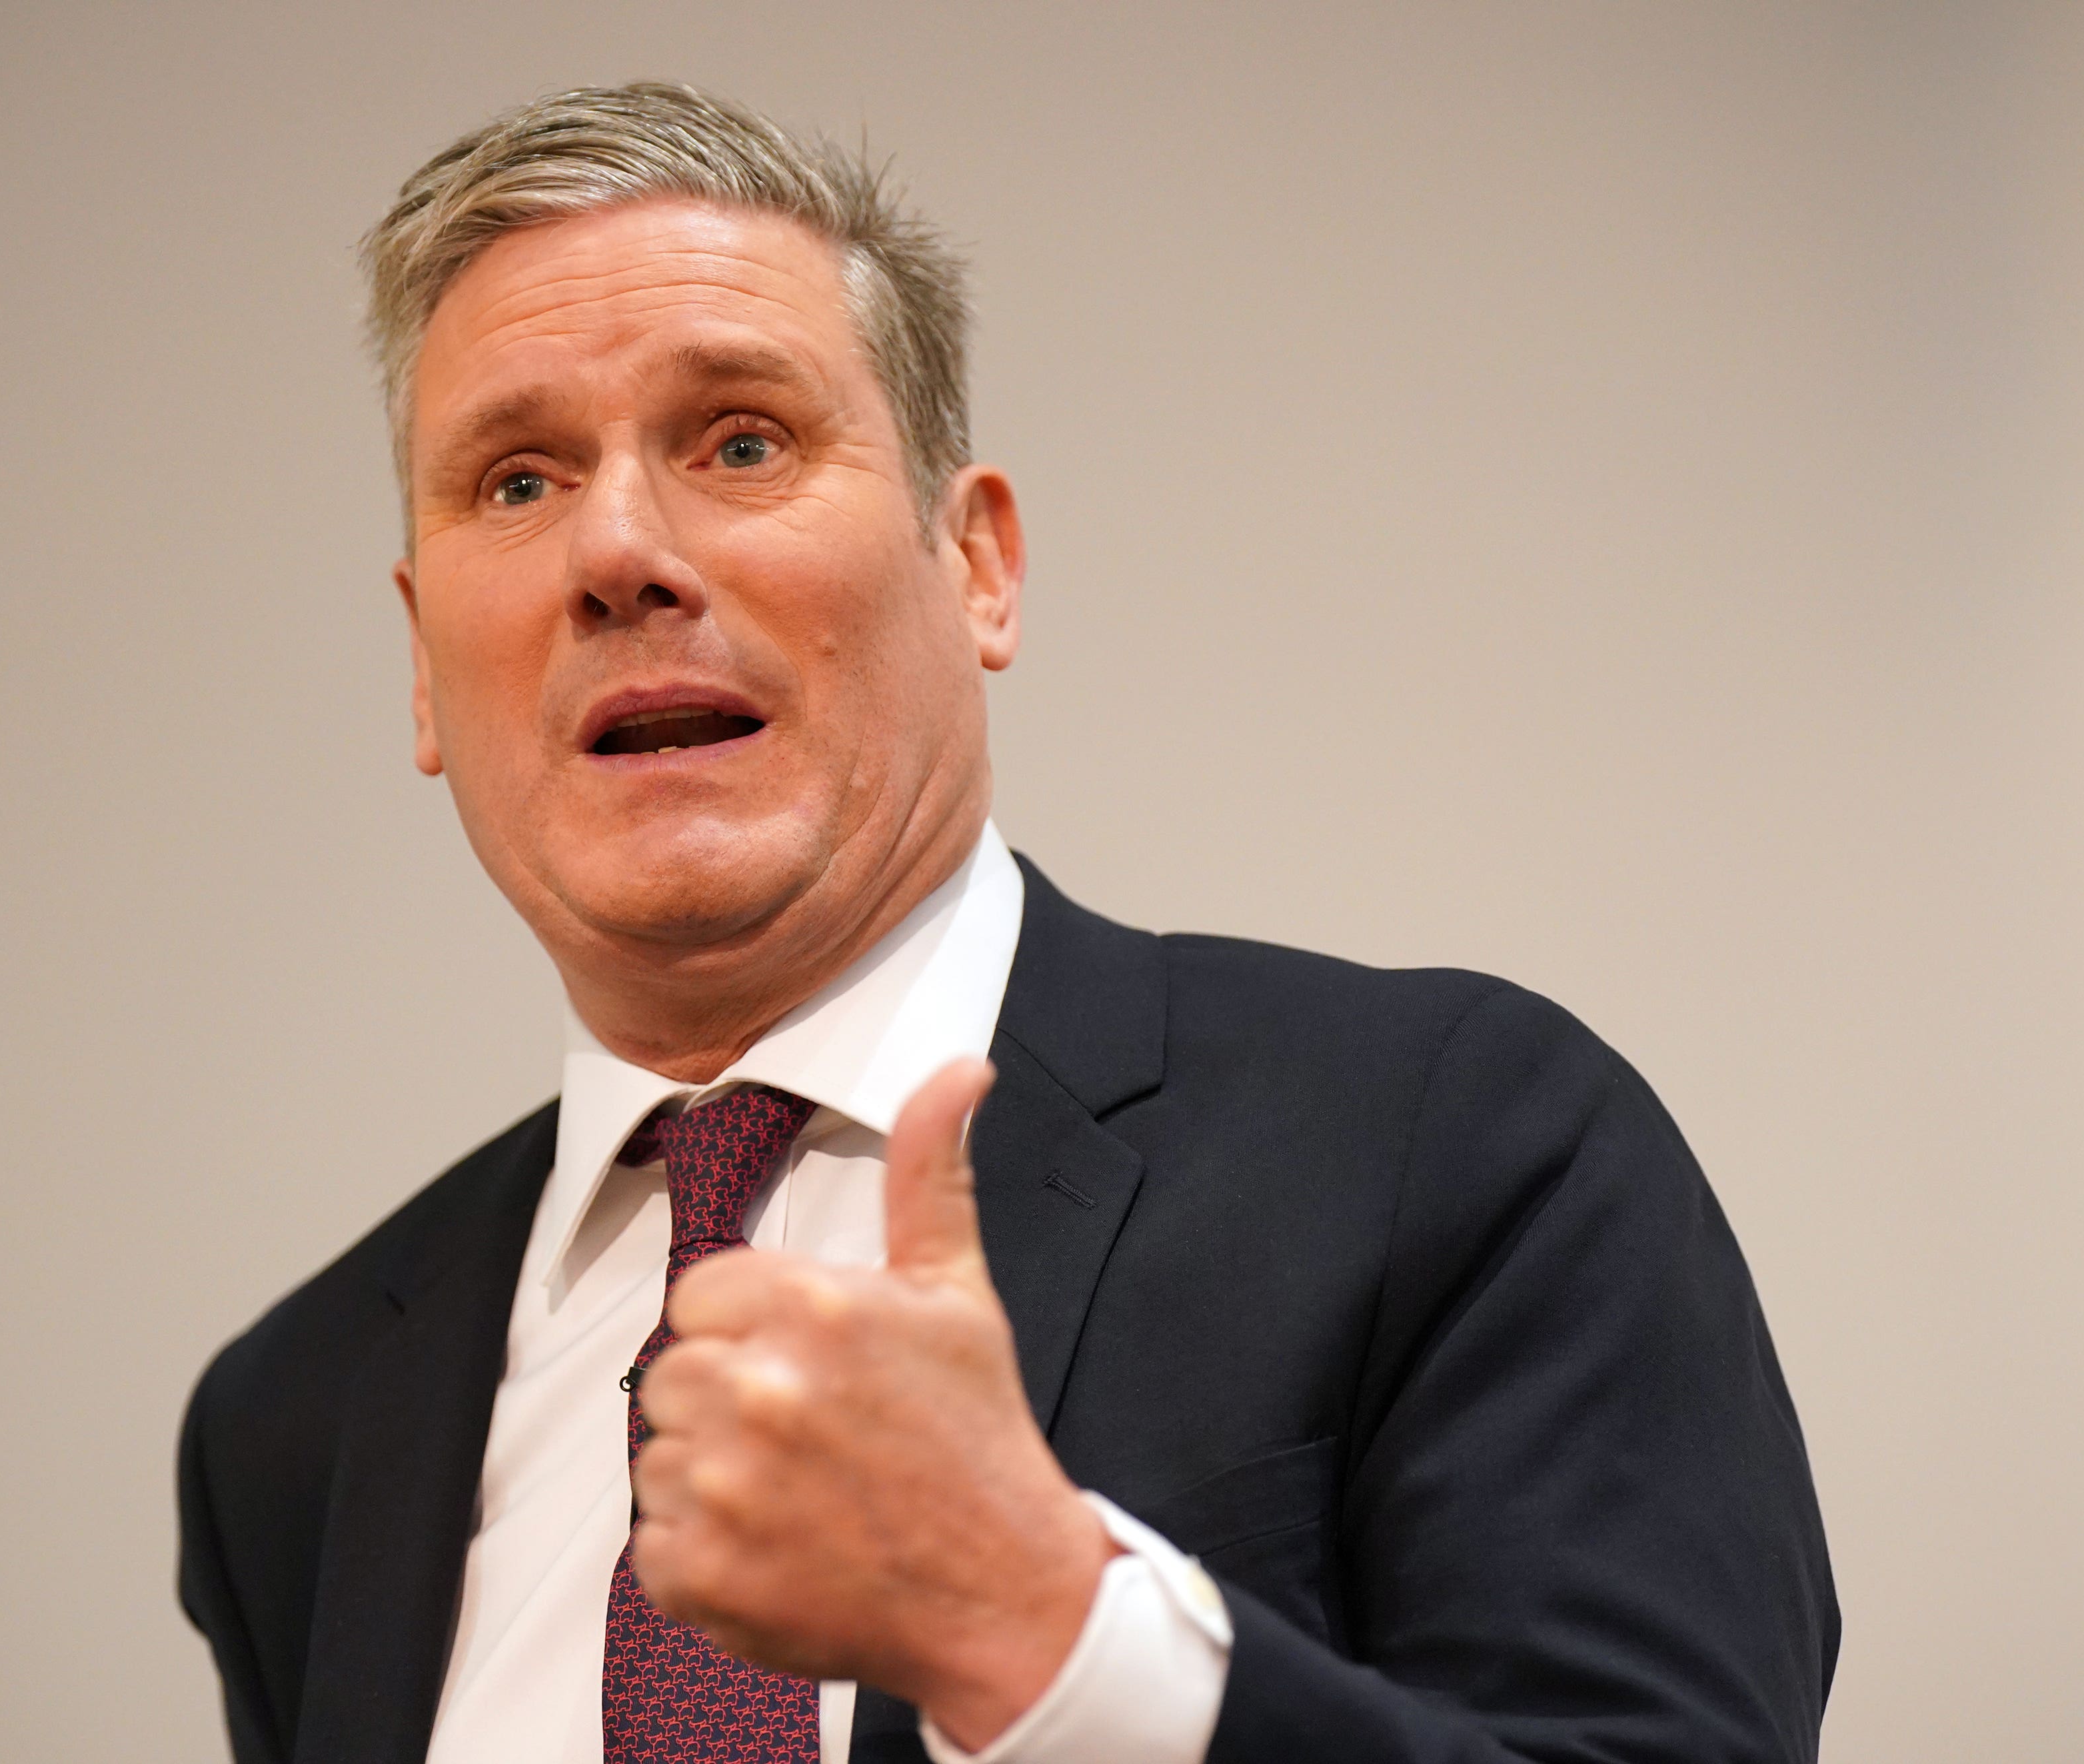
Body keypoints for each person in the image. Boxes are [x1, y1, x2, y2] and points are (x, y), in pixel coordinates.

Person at [175, 82, 1837, 1764]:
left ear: (975, 564)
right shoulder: (293, 1424)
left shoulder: (1455, 1144)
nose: (617, 550)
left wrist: (1050, 1634)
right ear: (419, 666)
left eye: (740, 440)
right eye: (517, 481)